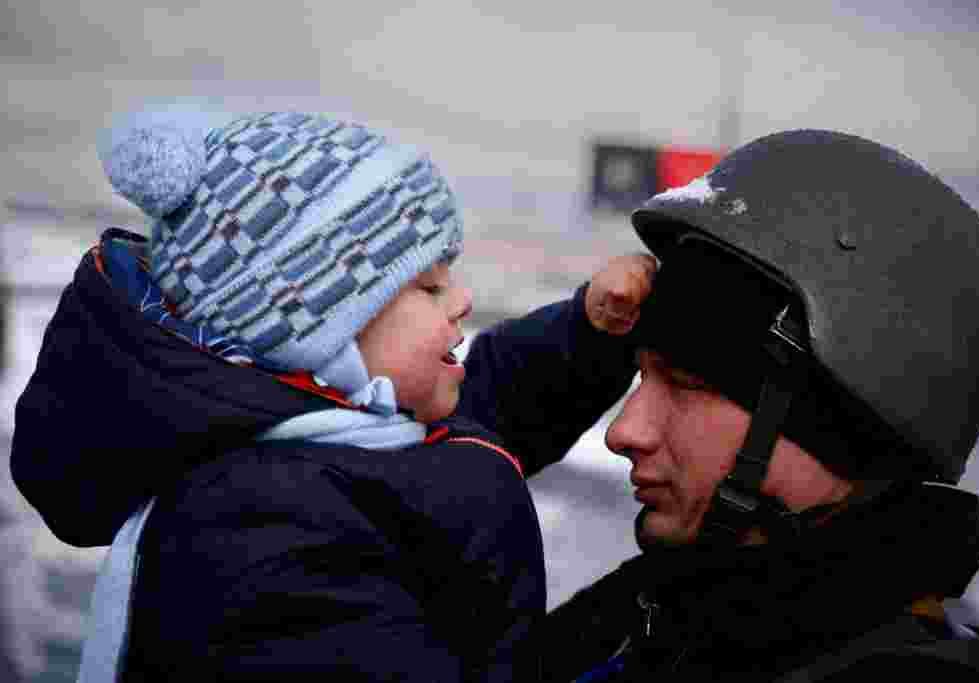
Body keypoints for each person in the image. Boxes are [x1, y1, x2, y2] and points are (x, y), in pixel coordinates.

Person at [9, 110, 654, 681]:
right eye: (428, 288)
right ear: (318, 327)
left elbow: (492, 405)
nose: (461, 302)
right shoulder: (259, 524)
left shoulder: (349, 440)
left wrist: (589, 331)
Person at [538, 129, 979, 681]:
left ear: (846, 429)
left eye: (689, 386)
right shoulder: (647, 615)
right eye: (643, 377)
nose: (624, 432)